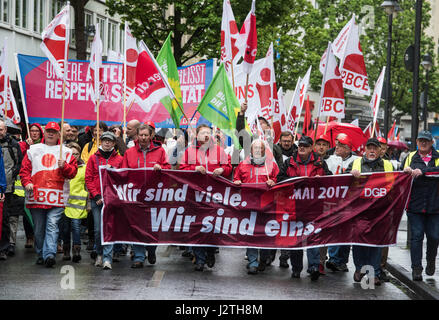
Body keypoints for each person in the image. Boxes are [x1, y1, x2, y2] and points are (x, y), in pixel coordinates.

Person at [19, 122, 78, 267]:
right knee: (38, 229)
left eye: (54, 131)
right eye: (48, 131)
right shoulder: (33, 150)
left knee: (52, 225)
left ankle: (49, 255)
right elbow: (24, 170)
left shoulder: (66, 152)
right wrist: (26, 183)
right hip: (37, 197)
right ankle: (40, 253)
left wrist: (65, 166)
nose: (50, 134)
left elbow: (72, 173)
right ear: (44, 133)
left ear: (59, 134)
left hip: (57, 198)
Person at [277, 135, 332, 281]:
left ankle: (313, 267)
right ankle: (296, 268)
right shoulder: (289, 162)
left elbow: (331, 180)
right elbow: (280, 179)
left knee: (312, 237)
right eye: (300, 145)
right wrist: (294, 182)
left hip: (314, 207)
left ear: (311, 148)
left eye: (305, 146)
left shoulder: (321, 164)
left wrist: (323, 180)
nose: (302, 148)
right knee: (296, 239)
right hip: (294, 206)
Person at [179, 124, 232, 271]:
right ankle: (200, 259)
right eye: (203, 133)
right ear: (197, 136)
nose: (206, 135)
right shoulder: (189, 152)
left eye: (209, 133)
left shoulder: (220, 151)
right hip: (195, 196)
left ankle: (210, 251)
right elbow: (182, 169)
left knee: (213, 226)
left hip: (215, 195)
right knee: (197, 227)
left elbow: (228, 168)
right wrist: (193, 168)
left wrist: (222, 169)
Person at [121, 122, 170, 268]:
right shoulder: (129, 152)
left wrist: (161, 167)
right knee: (136, 226)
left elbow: (168, 168)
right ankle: (139, 256)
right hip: (135, 195)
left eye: (146, 135)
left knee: (152, 226)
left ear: (151, 136)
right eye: (141, 135)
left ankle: (151, 248)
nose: (143, 138)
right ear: (137, 135)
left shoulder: (160, 151)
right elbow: (123, 172)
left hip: (154, 195)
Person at [346, 138, 394, 286]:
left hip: (379, 210)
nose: (372, 151)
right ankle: (360, 269)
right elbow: (343, 181)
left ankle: (374, 274)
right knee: (359, 241)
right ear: (364, 150)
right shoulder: (355, 163)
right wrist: (350, 174)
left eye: (375, 148)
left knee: (376, 242)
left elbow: (393, 184)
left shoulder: (387, 165)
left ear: (380, 150)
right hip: (359, 209)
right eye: (369, 148)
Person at [233, 139, 279, 274]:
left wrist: (273, 182)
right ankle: (253, 261)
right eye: (256, 148)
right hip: (249, 205)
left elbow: (279, 181)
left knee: (265, 233)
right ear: (251, 151)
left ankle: (263, 259)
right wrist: (236, 182)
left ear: (265, 151)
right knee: (251, 233)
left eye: (261, 148)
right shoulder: (242, 165)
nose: (258, 151)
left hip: (266, 206)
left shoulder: (272, 166)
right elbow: (235, 180)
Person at [401, 131, 439, 281]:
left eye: (426, 141)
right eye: (420, 140)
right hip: (415, 206)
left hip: (435, 206)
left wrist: (422, 171)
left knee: (434, 236)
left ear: (431, 143)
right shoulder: (409, 157)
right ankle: (416, 268)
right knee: (416, 237)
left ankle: (431, 261)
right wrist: (406, 171)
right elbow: (402, 176)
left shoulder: (437, 156)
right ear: (416, 142)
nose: (423, 143)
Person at [85, 131, 123, 270]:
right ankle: (100, 254)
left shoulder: (119, 159)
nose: (107, 143)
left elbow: (123, 177)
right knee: (98, 229)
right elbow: (88, 178)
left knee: (109, 229)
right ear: (100, 142)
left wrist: (114, 170)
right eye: (105, 140)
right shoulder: (92, 158)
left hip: (112, 200)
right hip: (97, 200)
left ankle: (108, 258)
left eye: (110, 141)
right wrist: (95, 196)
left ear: (114, 143)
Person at [323, 133, 359, 274]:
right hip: (333, 200)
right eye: (337, 145)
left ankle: (341, 261)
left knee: (346, 231)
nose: (336, 147)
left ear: (348, 148)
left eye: (340, 146)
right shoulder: (330, 159)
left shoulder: (357, 160)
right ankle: (333, 258)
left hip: (350, 201)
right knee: (333, 229)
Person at [60, 142, 88, 263]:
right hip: (64, 203)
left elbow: (87, 186)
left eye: (77, 154)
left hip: (78, 204)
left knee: (76, 227)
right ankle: (66, 250)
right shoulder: (61, 166)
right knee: (65, 228)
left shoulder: (84, 168)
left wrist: (88, 203)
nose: (74, 156)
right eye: (72, 154)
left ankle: (76, 249)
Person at [0, 119, 23, 259]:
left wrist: (10, 176)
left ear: (6, 130)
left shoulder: (13, 144)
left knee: (4, 219)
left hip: (6, 188)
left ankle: (4, 248)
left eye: (1, 129)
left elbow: (19, 163)